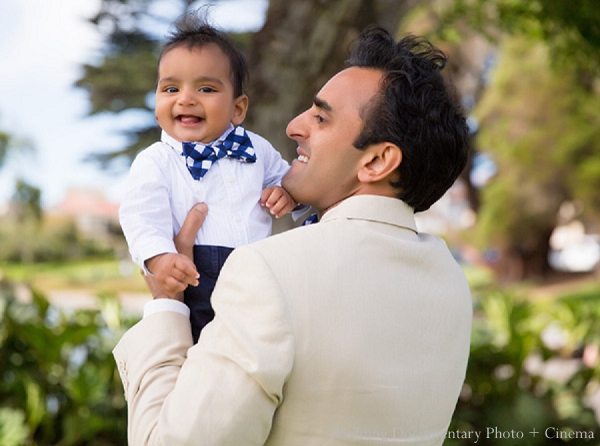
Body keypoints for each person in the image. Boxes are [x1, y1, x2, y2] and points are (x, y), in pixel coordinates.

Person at [113, 25, 473, 445]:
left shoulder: (266, 271)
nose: (294, 126)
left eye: (320, 117)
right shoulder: (451, 283)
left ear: (376, 161)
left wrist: (167, 305)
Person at [118, 11, 296, 342]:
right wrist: (159, 258)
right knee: (201, 349)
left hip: (260, 273)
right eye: (171, 88)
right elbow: (141, 217)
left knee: (264, 343)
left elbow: (285, 177)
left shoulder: (256, 148)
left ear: (238, 109)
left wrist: (286, 191)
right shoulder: (155, 161)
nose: (186, 98)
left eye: (205, 88)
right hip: (196, 275)